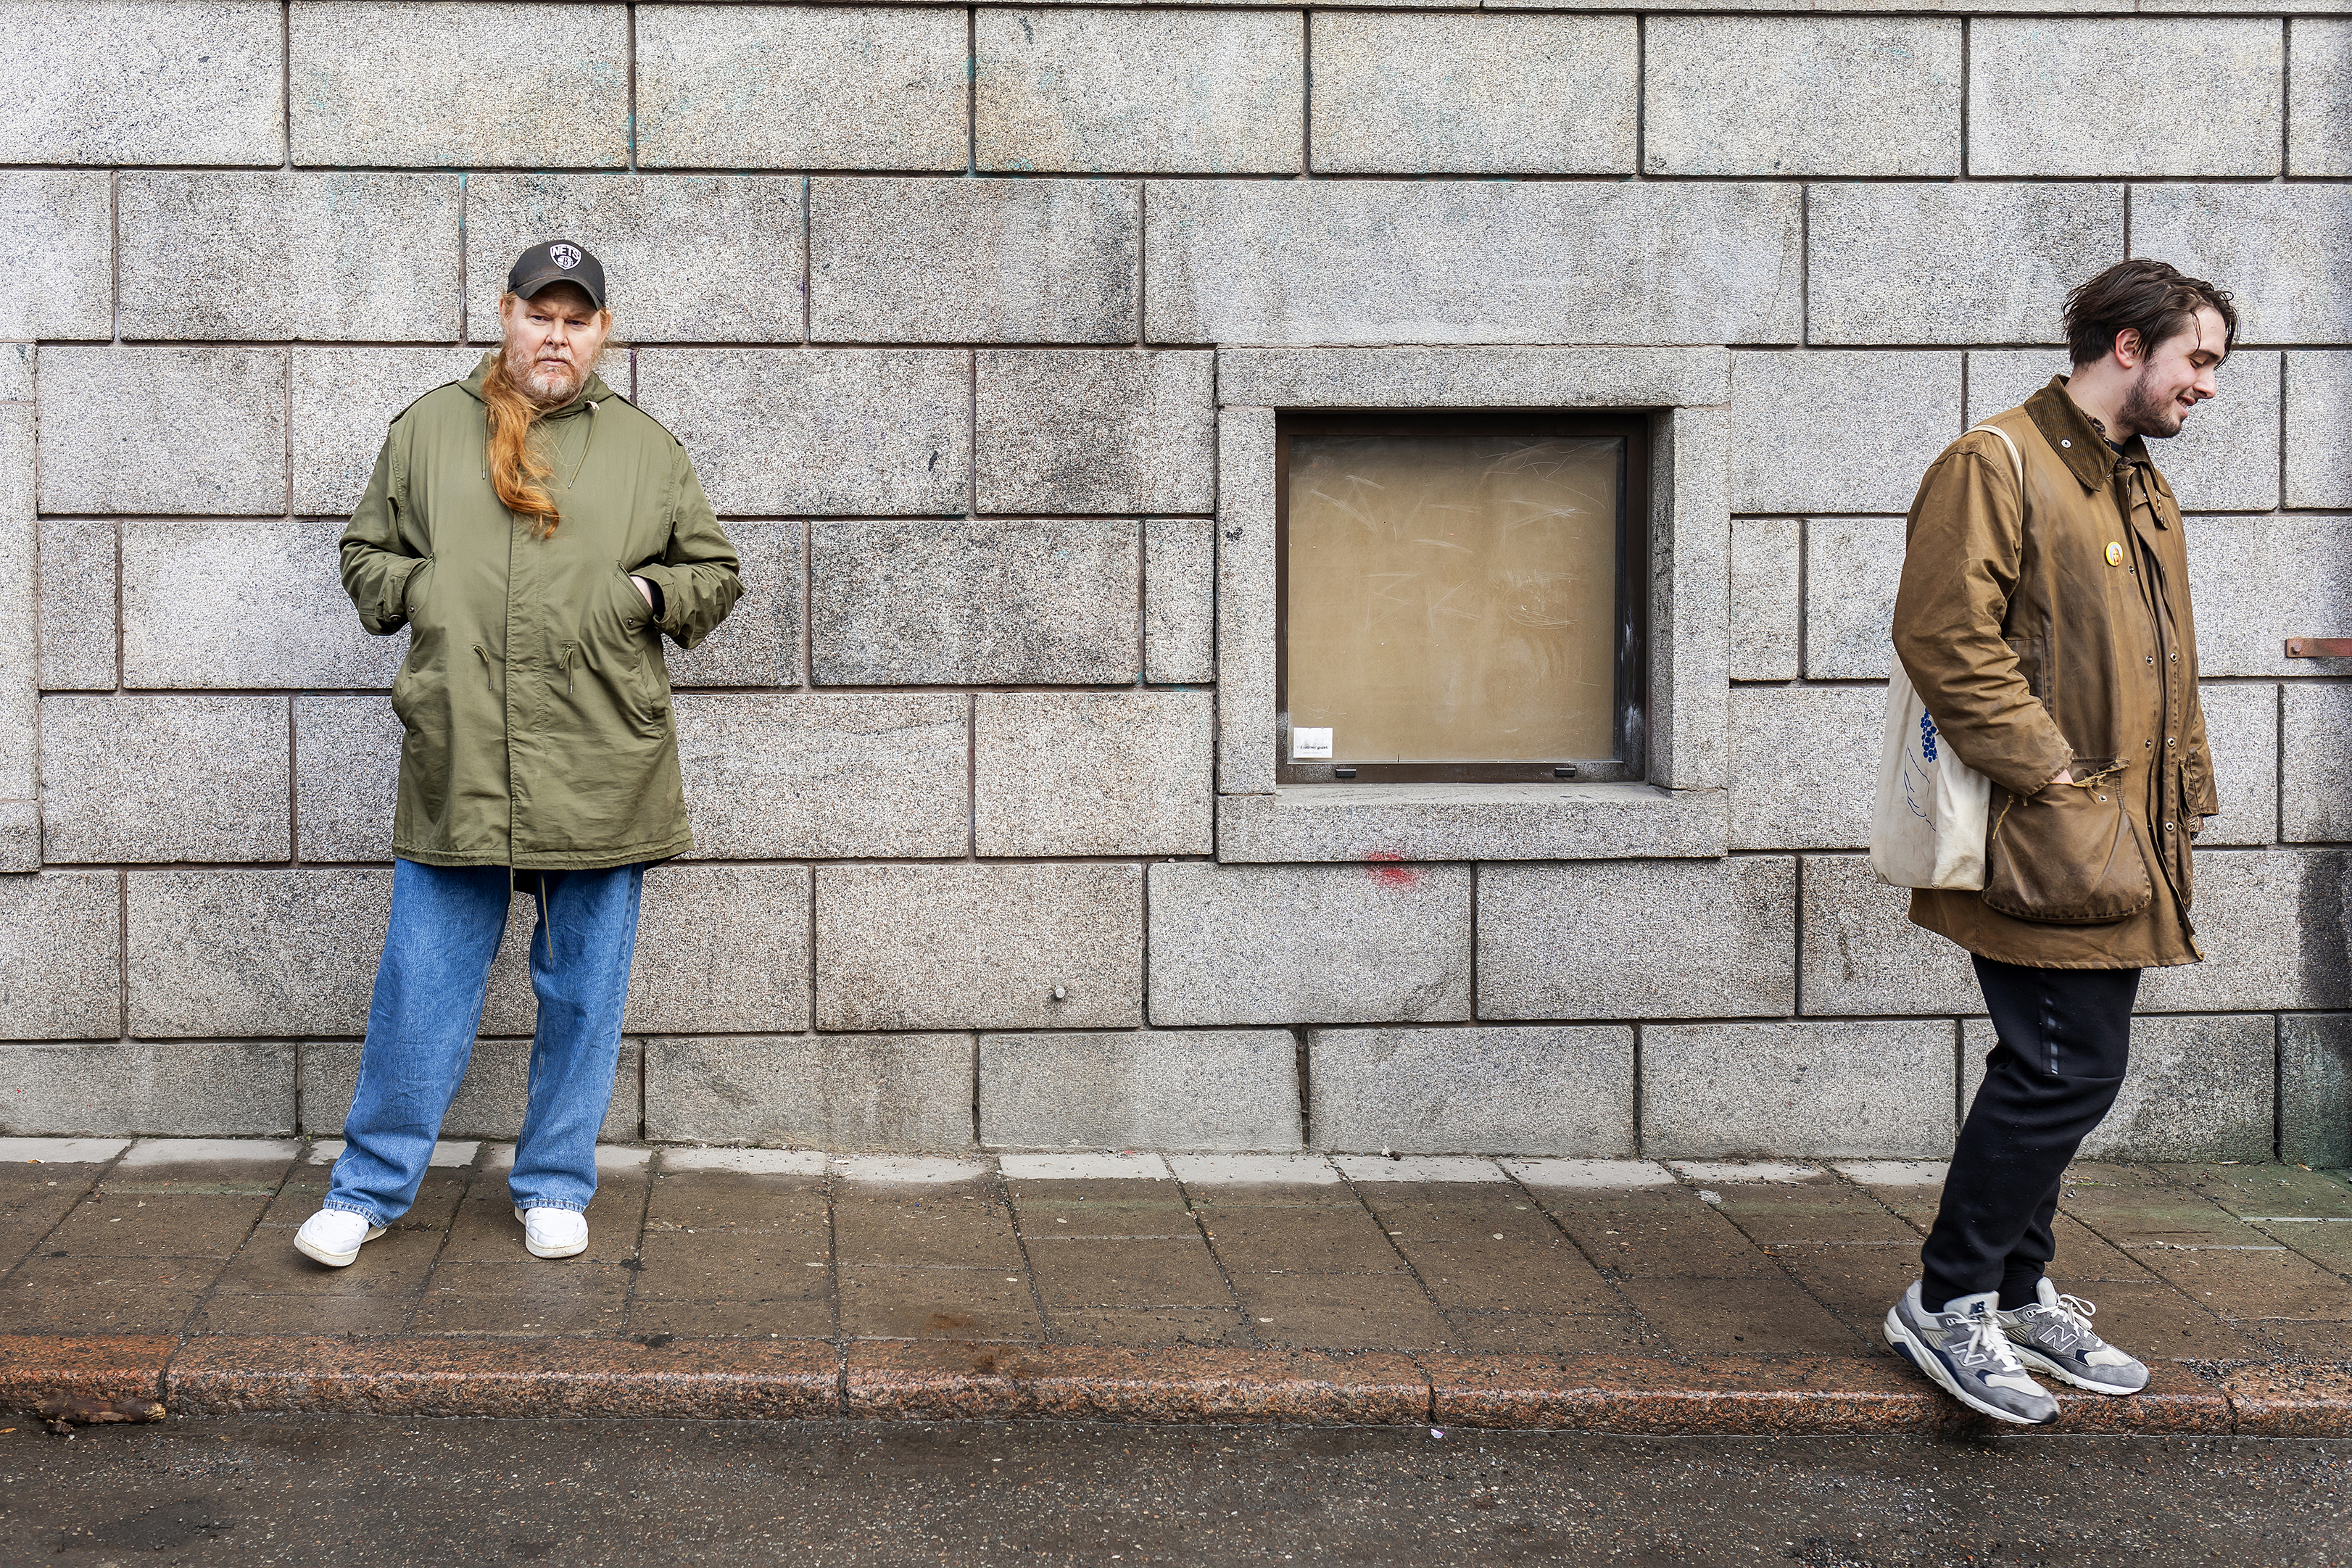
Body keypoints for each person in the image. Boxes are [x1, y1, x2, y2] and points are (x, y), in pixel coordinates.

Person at [296, 241, 742, 1268]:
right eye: (539, 313)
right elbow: (367, 555)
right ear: (505, 317)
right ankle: (365, 1192)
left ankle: (552, 1184)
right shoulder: (426, 432)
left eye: (576, 319)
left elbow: (713, 573)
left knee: (583, 989)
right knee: (422, 985)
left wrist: (642, 596)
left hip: (600, 760)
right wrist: (422, 592)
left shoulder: (644, 447)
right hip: (460, 755)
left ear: (601, 334)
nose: (556, 334)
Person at [1880, 259, 2234, 1424]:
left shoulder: (2131, 479)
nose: (2209, 386)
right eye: (2200, 359)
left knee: (2068, 1073)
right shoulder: (2000, 461)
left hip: (2120, 832)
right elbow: (1946, 637)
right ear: (2128, 348)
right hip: (2052, 830)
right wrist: (2057, 775)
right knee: (2061, 1069)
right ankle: (1947, 1300)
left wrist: (2170, 794)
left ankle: (2019, 1287)